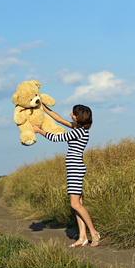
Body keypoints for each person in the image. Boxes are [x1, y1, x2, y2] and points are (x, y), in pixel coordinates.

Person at [31, 104, 100, 247]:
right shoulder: (77, 127)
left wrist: (39, 131)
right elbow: (58, 119)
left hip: (75, 169)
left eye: (73, 113)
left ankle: (94, 233)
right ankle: (82, 238)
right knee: (77, 205)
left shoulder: (79, 132)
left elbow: (56, 138)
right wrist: (42, 106)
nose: (70, 114)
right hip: (74, 169)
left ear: (79, 116)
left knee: (74, 204)